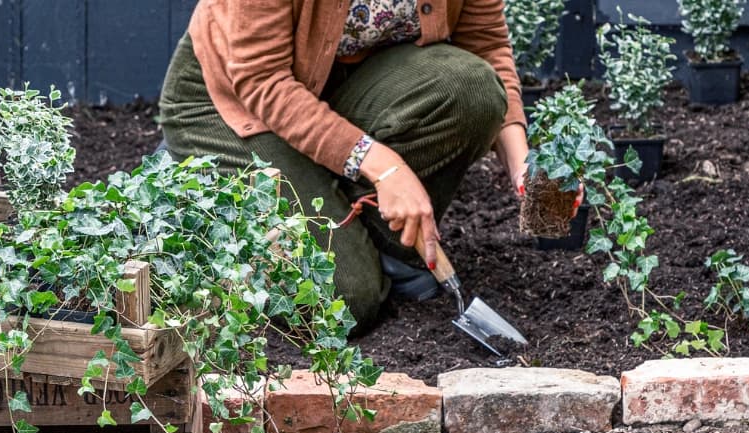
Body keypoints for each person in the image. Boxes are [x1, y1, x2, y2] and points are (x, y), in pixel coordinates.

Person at [158, 0, 533, 331]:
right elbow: (261, 79)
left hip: (348, 84)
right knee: (343, 302)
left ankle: (368, 237)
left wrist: (522, 165)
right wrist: (385, 167)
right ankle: (184, 200)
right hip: (235, 99)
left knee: (473, 89)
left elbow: (486, 44)